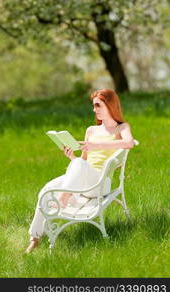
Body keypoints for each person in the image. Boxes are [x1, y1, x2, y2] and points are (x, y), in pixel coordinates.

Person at [25, 89, 134, 253]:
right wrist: (71, 157)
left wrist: (97, 146)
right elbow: (83, 162)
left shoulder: (121, 128)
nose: (94, 109)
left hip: (100, 184)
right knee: (47, 189)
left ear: (110, 105)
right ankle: (35, 238)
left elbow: (129, 143)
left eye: (98, 105)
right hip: (85, 180)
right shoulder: (91, 130)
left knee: (76, 169)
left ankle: (62, 200)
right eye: (93, 106)